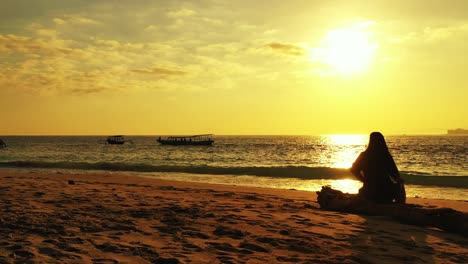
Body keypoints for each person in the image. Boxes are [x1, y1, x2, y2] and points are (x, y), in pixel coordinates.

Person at [351, 132, 406, 204]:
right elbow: (395, 175)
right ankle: (400, 204)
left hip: (368, 192)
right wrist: (400, 183)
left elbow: (353, 170)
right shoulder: (385, 155)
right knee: (400, 184)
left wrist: (364, 180)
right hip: (385, 192)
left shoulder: (364, 155)